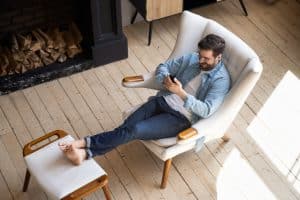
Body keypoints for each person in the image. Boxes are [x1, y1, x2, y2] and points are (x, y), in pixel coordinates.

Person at [58, 34, 231, 165]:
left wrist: (180, 93)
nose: (200, 60)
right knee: (126, 128)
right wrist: (166, 79)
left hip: (181, 118)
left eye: (206, 58)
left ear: (219, 57)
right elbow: (163, 67)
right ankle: (82, 150)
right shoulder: (193, 58)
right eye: (200, 55)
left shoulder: (221, 80)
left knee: (133, 129)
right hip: (162, 101)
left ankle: (83, 148)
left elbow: (207, 110)